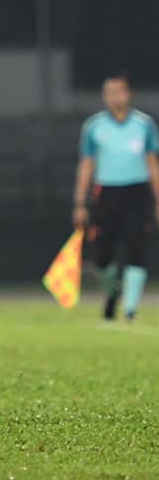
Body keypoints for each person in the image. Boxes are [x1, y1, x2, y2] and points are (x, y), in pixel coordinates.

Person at [73, 72, 159, 321]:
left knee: (136, 249)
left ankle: (130, 309)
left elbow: (152, 164)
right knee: (103, 255)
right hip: (106, 193)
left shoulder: (143, 126)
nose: (114, 96)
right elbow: (86, 165)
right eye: (109, 92)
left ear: (128, 93)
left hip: (137, 192)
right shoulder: (94, 127)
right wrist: (79, 202)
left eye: (118, 91)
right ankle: (112, 294)